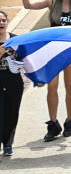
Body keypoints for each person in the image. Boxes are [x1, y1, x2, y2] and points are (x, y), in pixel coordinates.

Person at [17, 0, 71, 141]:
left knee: (70, 86)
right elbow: (29, 6)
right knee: (51, 87)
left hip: (70, 51)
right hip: (52, 51)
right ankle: (53, 123)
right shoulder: (52, 2)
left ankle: (70, 121)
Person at [0, 9, 24, 157]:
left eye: (3, 20)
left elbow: (27, 60)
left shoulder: (16, 40)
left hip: (14, 83)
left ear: (7, 23)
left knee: (11, 114)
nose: (1, 23)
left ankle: (8, 144)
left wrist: (37, 77)